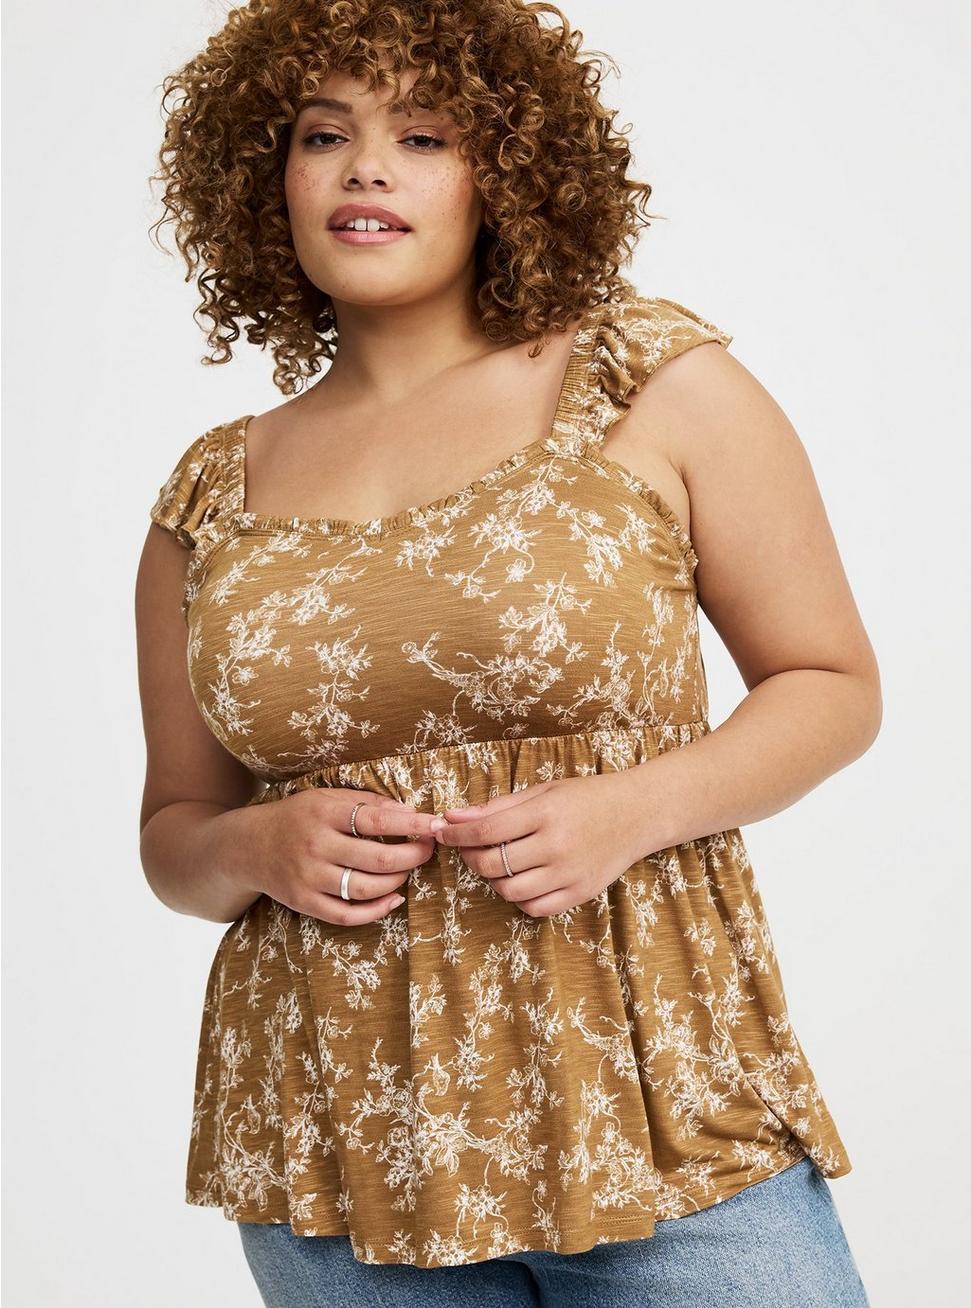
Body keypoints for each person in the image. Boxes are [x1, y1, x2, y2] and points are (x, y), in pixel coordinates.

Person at [135, 2, 878, 1305]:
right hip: (337, 1154)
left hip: (658, 1110)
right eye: (324, 136)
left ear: (509, 176)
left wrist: (634, 810)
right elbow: (174, 837)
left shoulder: (646, 382)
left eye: (423, 136)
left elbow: (830, 687)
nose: (367, 169)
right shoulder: (212, 493)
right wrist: (256, 848)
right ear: (270, 180)